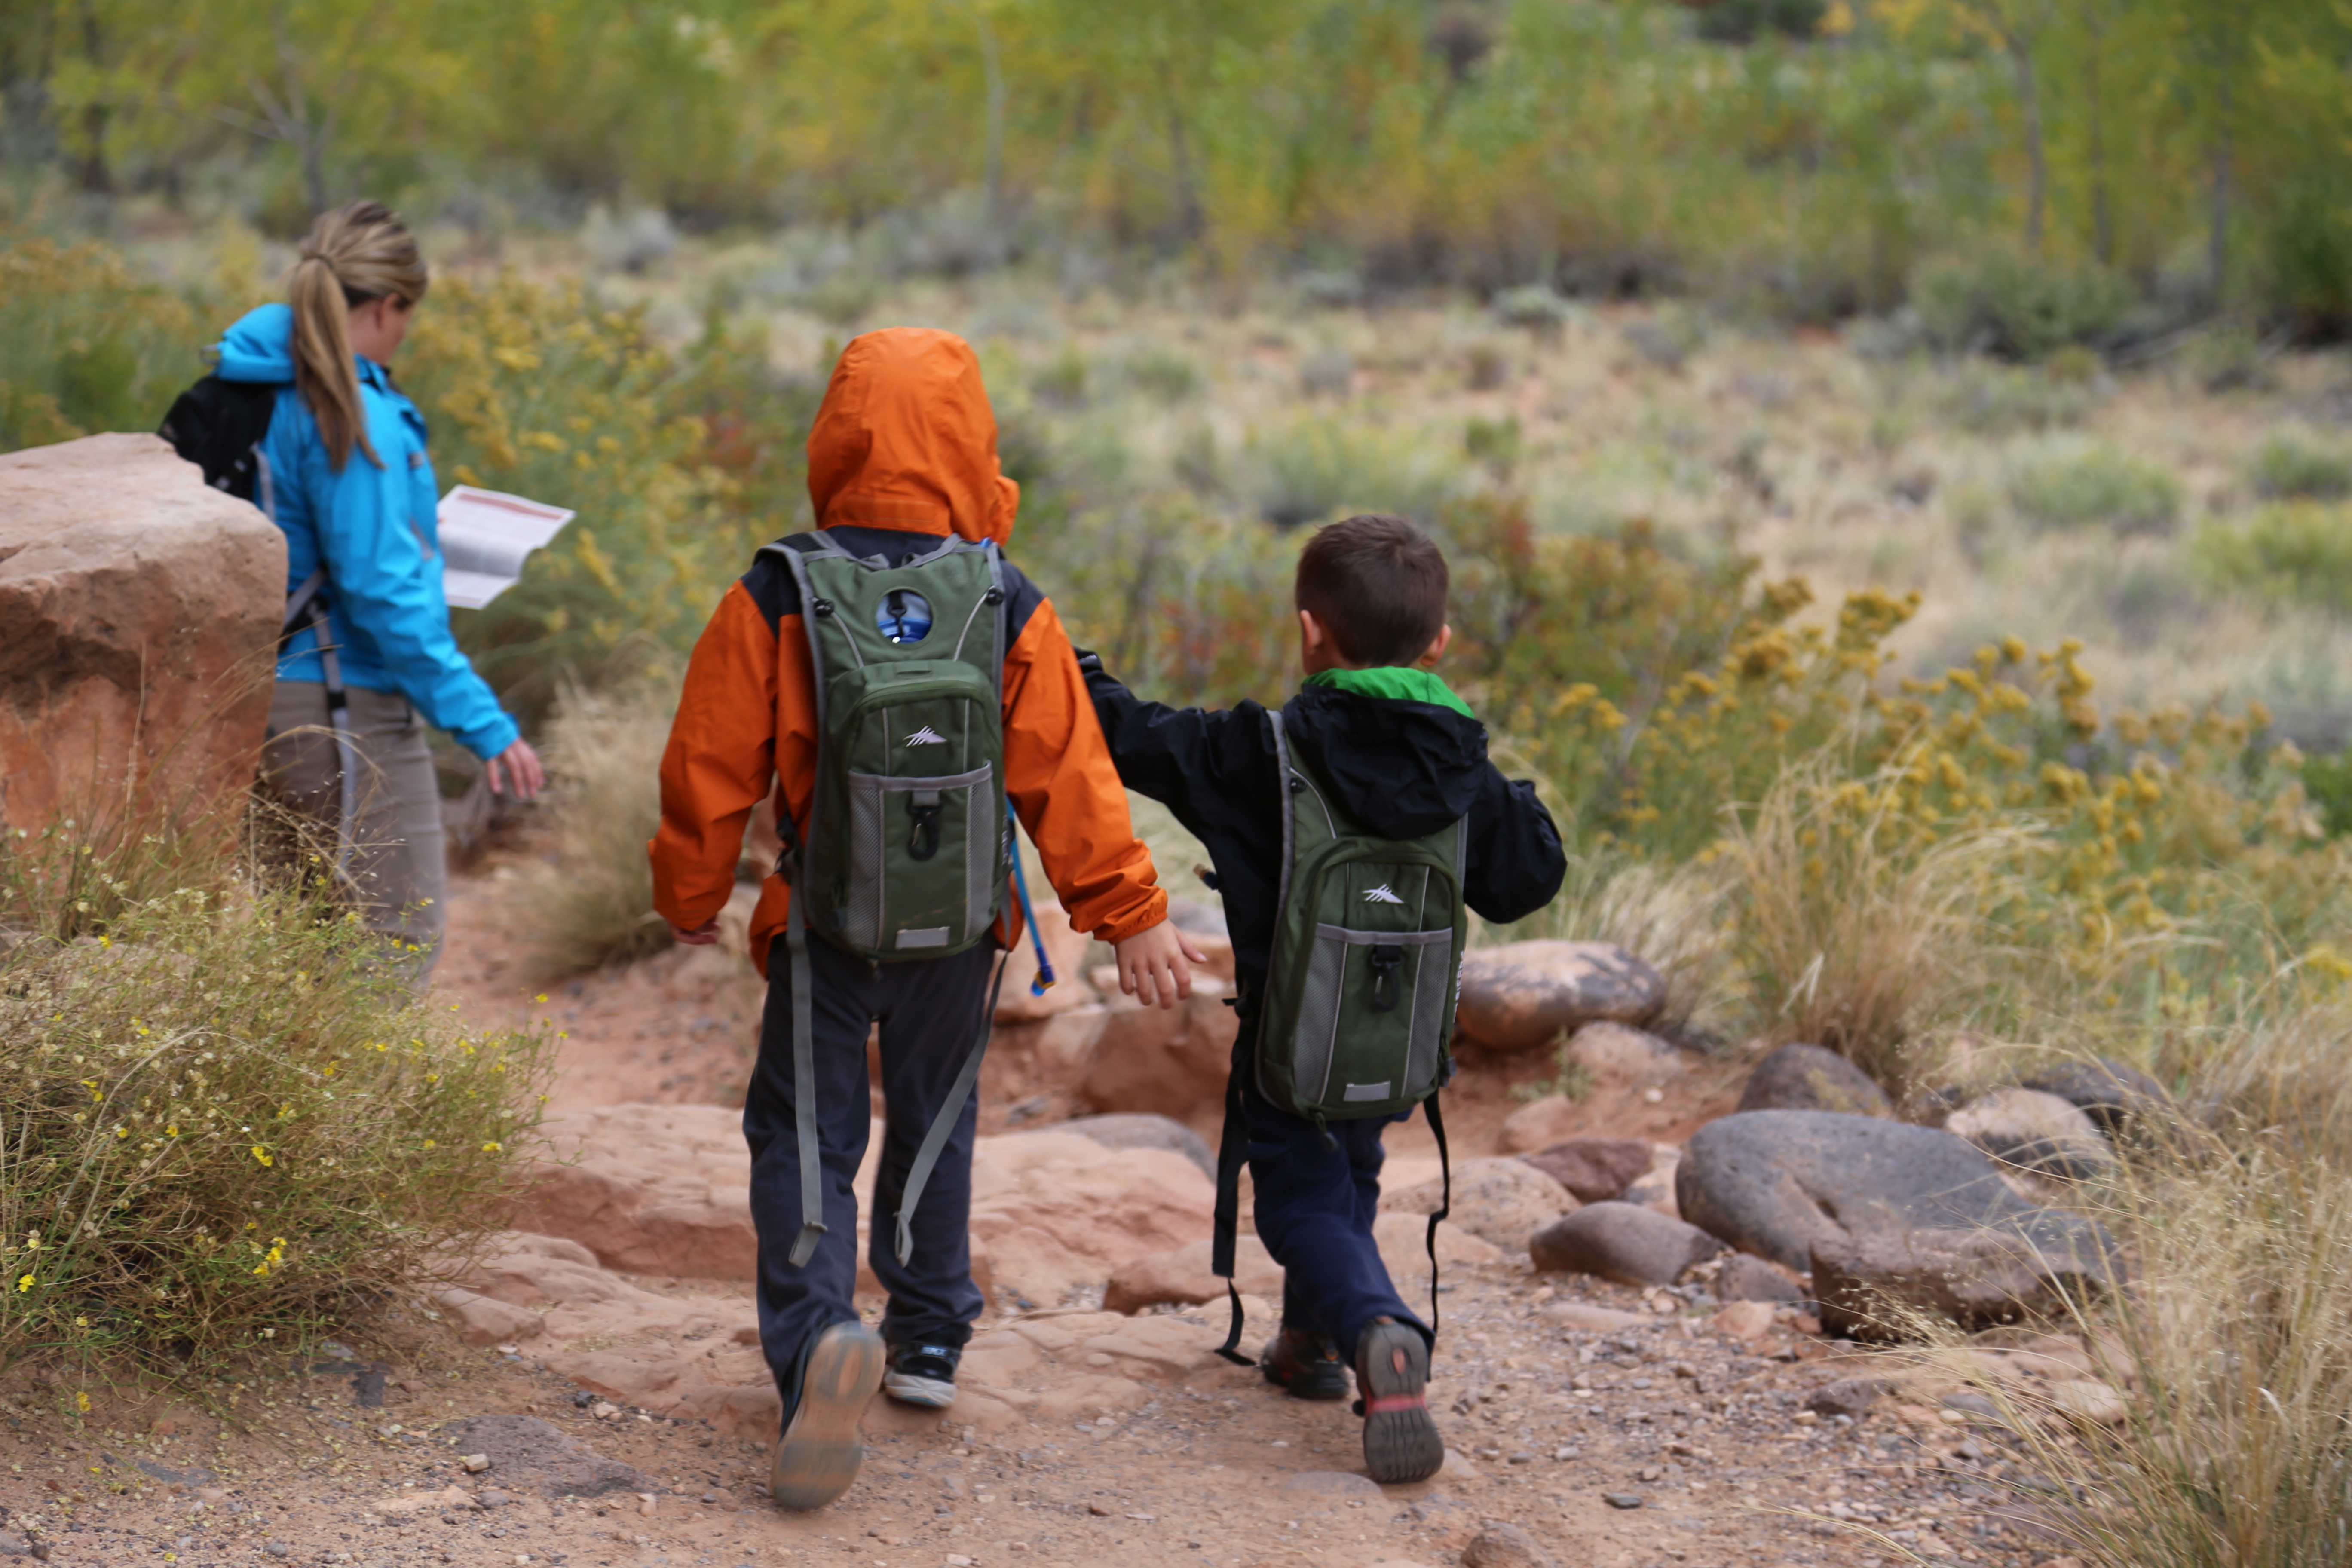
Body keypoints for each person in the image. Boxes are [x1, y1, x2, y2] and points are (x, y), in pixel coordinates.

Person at [649, 327, 1202, 1511]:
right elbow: (1071, 775)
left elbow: (707, 765)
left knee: (806, 1134)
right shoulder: (1003, 597)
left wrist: (690, 895)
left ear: (837, 437)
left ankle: (814, 1349)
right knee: (938, 1116)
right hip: (961, 925)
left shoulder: (778, 591)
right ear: (969, 443)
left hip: (823, 922)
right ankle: (931, 1334)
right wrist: (1132, 912)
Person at [1078, 512, 1566, 1483]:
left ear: (1310, 632)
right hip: (1399, 1044)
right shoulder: (1462, 767)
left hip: (1290, 1040)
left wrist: (1062, 656)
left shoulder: (1256, 752)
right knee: (1351, 1173)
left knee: (1301, 1200)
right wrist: (1498, 786)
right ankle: (1312, 1348)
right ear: (1440, 645)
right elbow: (1531, 877)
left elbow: (1126, 734)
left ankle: (1378, 1325)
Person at [215, 200, 541, 974]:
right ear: (389, 306)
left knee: (299, 949)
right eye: (408, 315)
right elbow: (382, 593)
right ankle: (365, 1102)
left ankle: (279, 1097)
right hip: (341, 703)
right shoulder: (349, 411)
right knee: (393, 939)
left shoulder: (251, 386)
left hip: (249, 694)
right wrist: (482, 722)